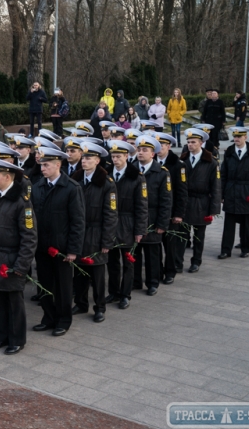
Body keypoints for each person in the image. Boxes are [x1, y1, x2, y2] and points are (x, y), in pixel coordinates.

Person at [0, 157, 37, 353]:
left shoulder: (21, 202)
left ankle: (17, 340)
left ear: (7, 177)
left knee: (14, 303)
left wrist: (21, 266)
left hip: (11, 258)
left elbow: (29, 237)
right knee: (0, 301)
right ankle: (1, 337)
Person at [31, 147, 85, 337]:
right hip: (42, 246)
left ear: (57, 165)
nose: (42, 168)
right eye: (41, 165)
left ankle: (63, 320)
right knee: (45, 284)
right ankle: (48, 317)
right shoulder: (37, 186)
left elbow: (78, 221)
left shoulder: (71, 188)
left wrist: (73, 250)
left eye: (46, 165)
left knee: (63, 287)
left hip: (61, 248)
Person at [69, 143, 117, 323]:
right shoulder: (76, 180)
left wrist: (107, 241)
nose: (84, 161)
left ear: (97, 161)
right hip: (80, 232)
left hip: (97, 233)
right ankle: (81, 304)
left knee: (97, 275)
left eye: (89, 158)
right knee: (80, 272)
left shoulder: (106, 183)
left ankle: (100, 307)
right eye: (83, 158)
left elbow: (111, 215)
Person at [105, 140, 147, 310]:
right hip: (111, 223)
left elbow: (142, 206)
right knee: (112, 261)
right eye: (113, 156)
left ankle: (125, 294)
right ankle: (114, 292)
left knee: (128, 261)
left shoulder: (136, 177)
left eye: (119, 156)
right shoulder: (106, 174)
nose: (115, 160)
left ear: (127, 156)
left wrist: (140, 230)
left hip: (128, 223)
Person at [132, 136, 172, 296]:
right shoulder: (132, 168)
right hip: (134, 217)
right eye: (139, 149)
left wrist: (162, 224)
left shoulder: (161, 173)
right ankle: (135, 281)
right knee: (134, 252)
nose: (140, 153)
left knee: (152, 254)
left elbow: (166, 200)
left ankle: (152, 282)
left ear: (153, 154)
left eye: (145, 150)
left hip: (153, 217)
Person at [177, 128, 221, 274]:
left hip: (202, 203)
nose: (190, 145)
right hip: (185, 202)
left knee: (198, 236)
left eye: (193, 142)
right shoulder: (182, 160)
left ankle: (196, 261)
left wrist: (214, 210)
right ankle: (178, 262)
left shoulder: (211, 162)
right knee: (181, 235)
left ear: (201, 143)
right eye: (188, 142)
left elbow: (216, 187)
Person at [218, 127, 249, 259]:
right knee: (229, 224)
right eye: (235, 136)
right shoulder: (229, 152)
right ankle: (226, 250)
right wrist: (221, 194)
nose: (236, 139)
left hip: (246, 192)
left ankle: (245, 248)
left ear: (246, 137)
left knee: (246, 224)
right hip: (231, 191)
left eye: (239, 136)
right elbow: (223, 175)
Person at [154, 133, 187, 285]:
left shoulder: (178, 164)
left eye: (163, 145)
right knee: (155, 245)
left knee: (170, 244)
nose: (160, 148)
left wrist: (179, 213)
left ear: (169, 146)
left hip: (171, 210)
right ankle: (158, 270)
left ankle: (170, 271)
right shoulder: (151, 162)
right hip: (155, 211)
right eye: (157, 145)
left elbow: (182, 191)